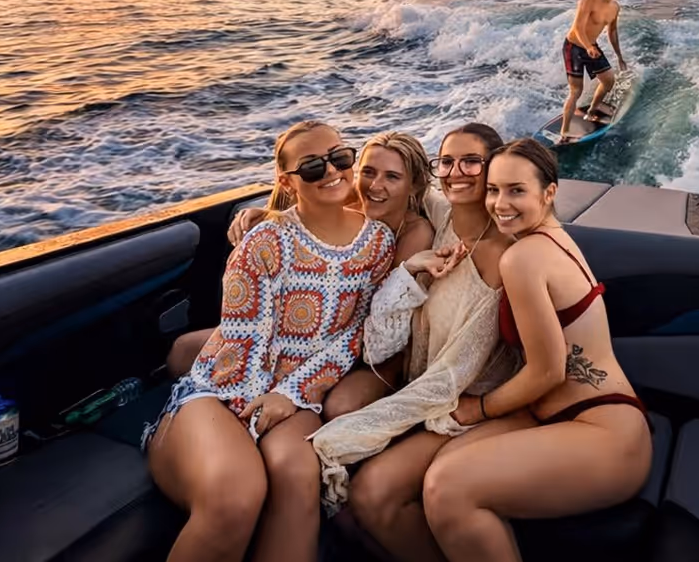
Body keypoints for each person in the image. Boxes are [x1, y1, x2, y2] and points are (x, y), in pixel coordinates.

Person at [142, 120, 397, 562]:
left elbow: (357, 333)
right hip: (226, 388)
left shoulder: (377, 242)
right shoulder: (263, 241)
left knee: (297, 473)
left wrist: (291, 393)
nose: (332, 172)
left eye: (339, 158)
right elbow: (243, 341)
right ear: (286, 181)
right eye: (313, 167)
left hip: (300, 393)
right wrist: (253, 418)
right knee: (235, 493)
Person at [419, 137, 652, 561]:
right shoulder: (551, 237)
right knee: (446, 459)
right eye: (493, 189)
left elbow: (549, 372)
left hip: (605, 433)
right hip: (564, 416)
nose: (500, 203)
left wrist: (481, 407)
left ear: (549, 192)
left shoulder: (523, 257)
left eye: (516, 190)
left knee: (446, 488)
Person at [312, 122, 520, 562]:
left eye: (472, 162)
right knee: (347, 515)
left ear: (494, 171)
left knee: (369, 493)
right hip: (423, 386)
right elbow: (379, 186)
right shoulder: (443, 212)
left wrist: (339, 438)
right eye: (447, 161)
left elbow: (448, 381)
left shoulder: (506, 258)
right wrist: (270, 213)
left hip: (468, 403)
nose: (457, 172)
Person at [165, 131, 440, 420]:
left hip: (372, 346)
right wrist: (266, 214)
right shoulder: (353, 201)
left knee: (340, 407)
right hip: (318, 329)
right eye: (368, 172)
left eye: (392, 177)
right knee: (182, 351)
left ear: (415, 184)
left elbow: (379, 312)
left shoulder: (413, 233)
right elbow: (303, 211)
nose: (375, 185)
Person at [557, 0, 628, 145]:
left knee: (608, 80)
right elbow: (578, 28)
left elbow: (612, 32)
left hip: (591, 47)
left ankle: (593, 109)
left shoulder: (614, 8)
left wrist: (619, 56)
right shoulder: (588, 1)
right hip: (574, 46)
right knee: (576, 91)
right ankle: (564, 132)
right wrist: (588, 46)